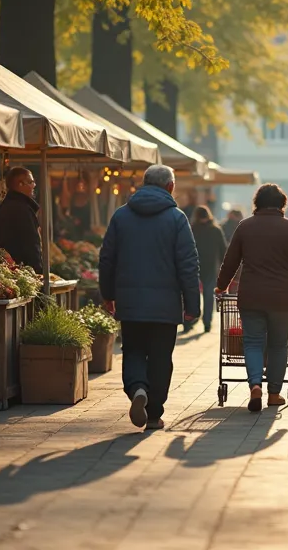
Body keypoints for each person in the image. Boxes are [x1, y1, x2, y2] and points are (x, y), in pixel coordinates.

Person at [99, 165, 200, 431]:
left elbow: (106, 258)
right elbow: (188, 265)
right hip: (165, 306)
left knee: (132, 350)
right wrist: (193, 305)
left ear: (143, 184)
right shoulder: (177, 219)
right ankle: (154, 413)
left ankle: (137, 389)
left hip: (130, 303)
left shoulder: (121, 216)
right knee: (160, 357)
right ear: (170, 187)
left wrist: (108, 294)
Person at [216, 183, 288, 412]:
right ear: (282, 204)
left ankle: (255, 386)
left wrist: (221, 286)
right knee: (279, 345)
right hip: (283, 298)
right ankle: (274, 393)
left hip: (251, 295)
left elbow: (230, 261)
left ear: (256, 203)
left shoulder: (244, 227)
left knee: (252, 342)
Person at [0, 167, 43, 272]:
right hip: (23, 269)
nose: (34, 185)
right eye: (31, 182)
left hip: (13, 268)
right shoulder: (21, 209)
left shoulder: (10, 205)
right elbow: (31, 243)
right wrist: (38, 270)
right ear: (20, 184)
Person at [191, 206, 227, 332]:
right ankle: (207, 321)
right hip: (210, 266)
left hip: (193, 265)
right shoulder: (215, 229)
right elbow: (223, 250)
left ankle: (190, 320)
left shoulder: (192, 229)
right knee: (208, 294)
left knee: (191, 293)